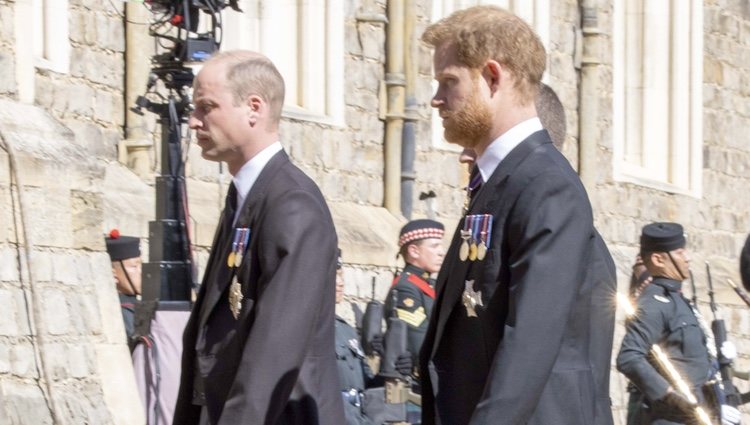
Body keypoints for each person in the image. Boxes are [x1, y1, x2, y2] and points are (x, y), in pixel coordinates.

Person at [418, 6, 612, 424]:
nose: (436, 99)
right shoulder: (499, 183)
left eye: (448, 81)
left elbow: (529, 345)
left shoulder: (545, 185)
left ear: (492, 78)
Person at [173, 50, 344, 425]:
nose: (193, 122)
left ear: (254, 108)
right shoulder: (247, 196)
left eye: (206, 107)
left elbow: (275, 350)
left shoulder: (291, 204)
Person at [617, 222, 741, 425]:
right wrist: (669, 395)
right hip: (669, 418)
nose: (687, 258)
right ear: (658, 259)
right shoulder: (654, 304)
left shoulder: (679, 301)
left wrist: (719, 358)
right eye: (680, 253)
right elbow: (628, 357)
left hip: (695, 416)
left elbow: (691, 362)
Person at [335, 250, 412, 425]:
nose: (340, 283)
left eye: (340, 275)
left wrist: (390, 369)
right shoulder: (310, 331)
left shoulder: (345, 330)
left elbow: (366, 384)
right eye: (332, 276)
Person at [384, 219, 445, 367]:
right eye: (435, 246)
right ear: (414, 251)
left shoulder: (430, 284)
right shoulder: (406, 288)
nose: (442, 252)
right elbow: (419, 341)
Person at [104, 229, 142, 343]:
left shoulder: (135, 306)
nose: (141, 272)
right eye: (134, 267)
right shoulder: (120, 312)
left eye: (141, 265)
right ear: (114, 274)